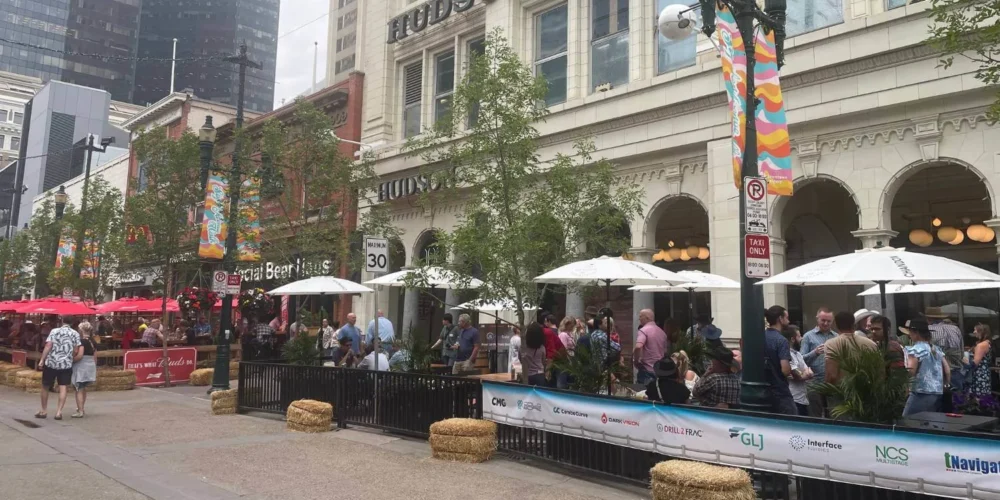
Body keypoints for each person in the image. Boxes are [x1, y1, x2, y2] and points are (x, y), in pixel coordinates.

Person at [900, 318, 950, 416]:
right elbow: (947, 370)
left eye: (910, 332)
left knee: (908, 421)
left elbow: (911, 371)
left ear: (916, 332)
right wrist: (946, 385)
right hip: (936, 392)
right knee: (930, 423)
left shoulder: (914, 350)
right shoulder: (936, 349)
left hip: (920, 392)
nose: (909, 335)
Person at [36, 316, 82, 420]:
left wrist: (42, 359)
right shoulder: (75, 334)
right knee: (63, 387)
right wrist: (69, 356)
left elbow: (48, 345)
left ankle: (43, 410)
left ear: (62, 321)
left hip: (52, 362)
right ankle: (58, 412)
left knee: (45, 386)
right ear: (72, 323)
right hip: (66, 364)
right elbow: (76, 350)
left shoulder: (54, 331)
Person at [824, 311, 878, 385]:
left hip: (841, 390)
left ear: (835, 325)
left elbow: (831, 375)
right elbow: (879, 372)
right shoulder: (871, 344)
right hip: (866, 390)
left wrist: (825, 392)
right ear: (853, 324)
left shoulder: (831, 344)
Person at [800, 307, 835, 417]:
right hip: (814, 383)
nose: (825, 323)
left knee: (833, 415)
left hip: (831, 383)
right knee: (815, 415)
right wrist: (815, 352)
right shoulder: (808, 336)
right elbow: (801, 360)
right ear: (817, 319)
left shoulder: (836, 337)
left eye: (828, 321)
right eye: (823, 320)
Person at [762, 305, 796, 415]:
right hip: (779, 390)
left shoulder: (760, 337)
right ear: (780, 319)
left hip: (763, 389)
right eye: (787, 317)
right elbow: (785, 369)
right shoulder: (781, 341)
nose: (789, 321)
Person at [926, 307, 965, 390]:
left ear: (928, 319)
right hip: (956, 370)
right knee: (957, 400)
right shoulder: (955, 329)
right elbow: (961, 351)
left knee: (938, 401)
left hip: (937, 373)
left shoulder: (928, 330)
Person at [782, 325, 813, 416]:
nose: (802, 338)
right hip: (793, 399)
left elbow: (810, 372)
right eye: (799, 336)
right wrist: (804, 374)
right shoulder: (786, 354)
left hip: (803, 399)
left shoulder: (798, 354)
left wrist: (805, 374)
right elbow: (798, 375)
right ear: (792, 339)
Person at [634, 308, 669, 385]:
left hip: (646, 370)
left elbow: (638, 346)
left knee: (643, 393)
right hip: (659, 370)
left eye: (640, 316)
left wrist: (636, 361)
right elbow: (665, 352)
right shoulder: (662, 333)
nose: (639, 319)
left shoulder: (643, 330)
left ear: (647, 318)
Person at [72, 321, 97, 418]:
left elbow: (80, 355)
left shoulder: (82, 341)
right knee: (83, 388)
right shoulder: (93, 341)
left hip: (81, 366)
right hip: (90, 364)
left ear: (81, 330)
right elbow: (95, 356)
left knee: (79, 388)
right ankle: (82, 407)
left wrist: (72, 360)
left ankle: (80, 410)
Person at [971, 323, 994, 396]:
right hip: (985, 373)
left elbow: (975, 363)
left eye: (975, 330)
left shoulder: (981, 345)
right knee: (984, 396)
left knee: (978, 396)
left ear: (982, 332)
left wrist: (965, 360)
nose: (974, 332)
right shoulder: (988, 343)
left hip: (979, 374)